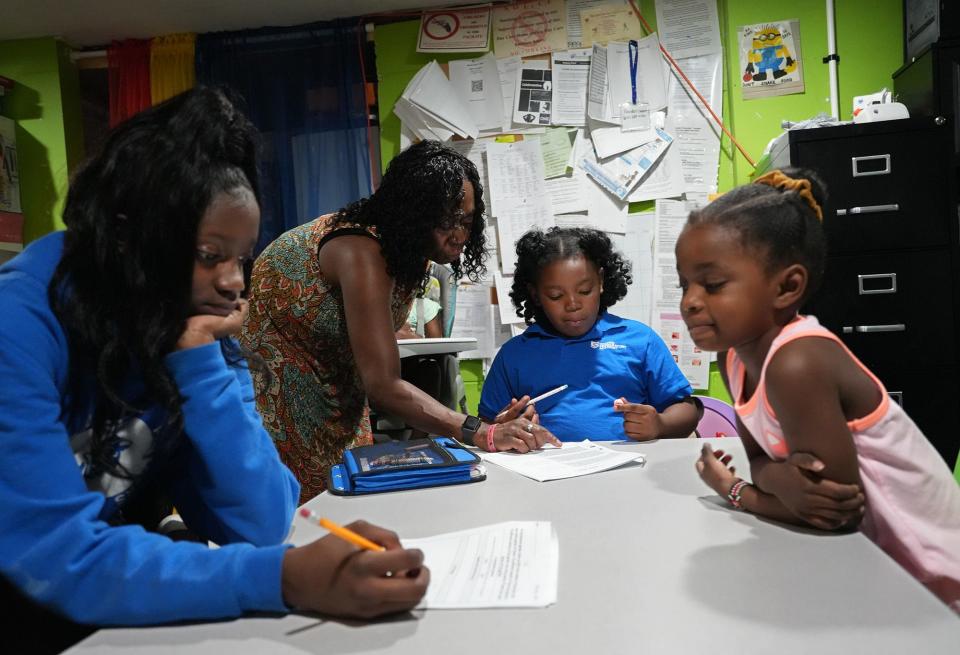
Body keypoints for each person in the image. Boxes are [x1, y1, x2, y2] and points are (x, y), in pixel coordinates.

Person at [0, 87, 428, 653]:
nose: (233, 283)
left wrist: (200, 365)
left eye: (241, 258)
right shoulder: (19, 325)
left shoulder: (182, 322)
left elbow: (260, 523)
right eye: (209, 256)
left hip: (99, 621)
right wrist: (286, 578)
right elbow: (58, 554)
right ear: (129, 237)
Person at [678, 168, 960, 611]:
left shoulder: (797, 362)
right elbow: (762, 461)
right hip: (875, 571)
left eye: (712, 285)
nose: (690, 301)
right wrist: (777, 481)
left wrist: (737, 491)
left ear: (787, 287)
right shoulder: (732, 358)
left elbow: (832, 514)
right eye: (685, 284)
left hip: (934, 583)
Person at [241, 140, 559, 503]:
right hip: (278, 400)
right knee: (305, 524)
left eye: (466, 221)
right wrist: (479, 431)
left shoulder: (410, 252)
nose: (458, 235)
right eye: (445, 221)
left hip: (338, 398)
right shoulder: (362, 250)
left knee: (349, 512)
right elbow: (383, 386)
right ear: (413, 214)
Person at [479, 227, 701, 442]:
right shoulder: (516, 354)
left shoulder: (640, 340)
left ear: (601, 281)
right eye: (556, 296)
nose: (573, 305)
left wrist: (659, 424)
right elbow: (487, 425)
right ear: (536, 295)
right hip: (548, 474)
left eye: (585, 291)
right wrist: (501, 428)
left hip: (630, 470)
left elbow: (687, 410)